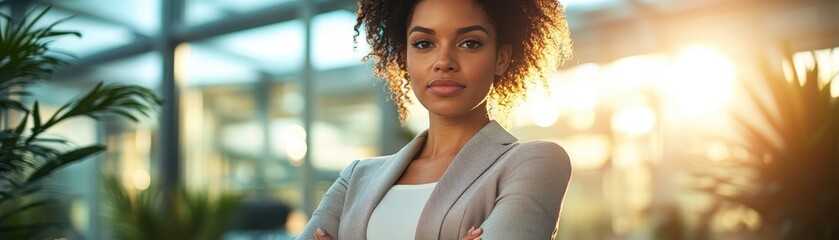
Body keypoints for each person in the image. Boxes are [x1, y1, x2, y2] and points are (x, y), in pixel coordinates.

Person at [297, 0, 573, 239]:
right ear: (405, 57)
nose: (444, 61)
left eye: (469, 43)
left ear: (501, 58)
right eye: (424, 43)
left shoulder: (535, 162)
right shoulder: (356, 177)